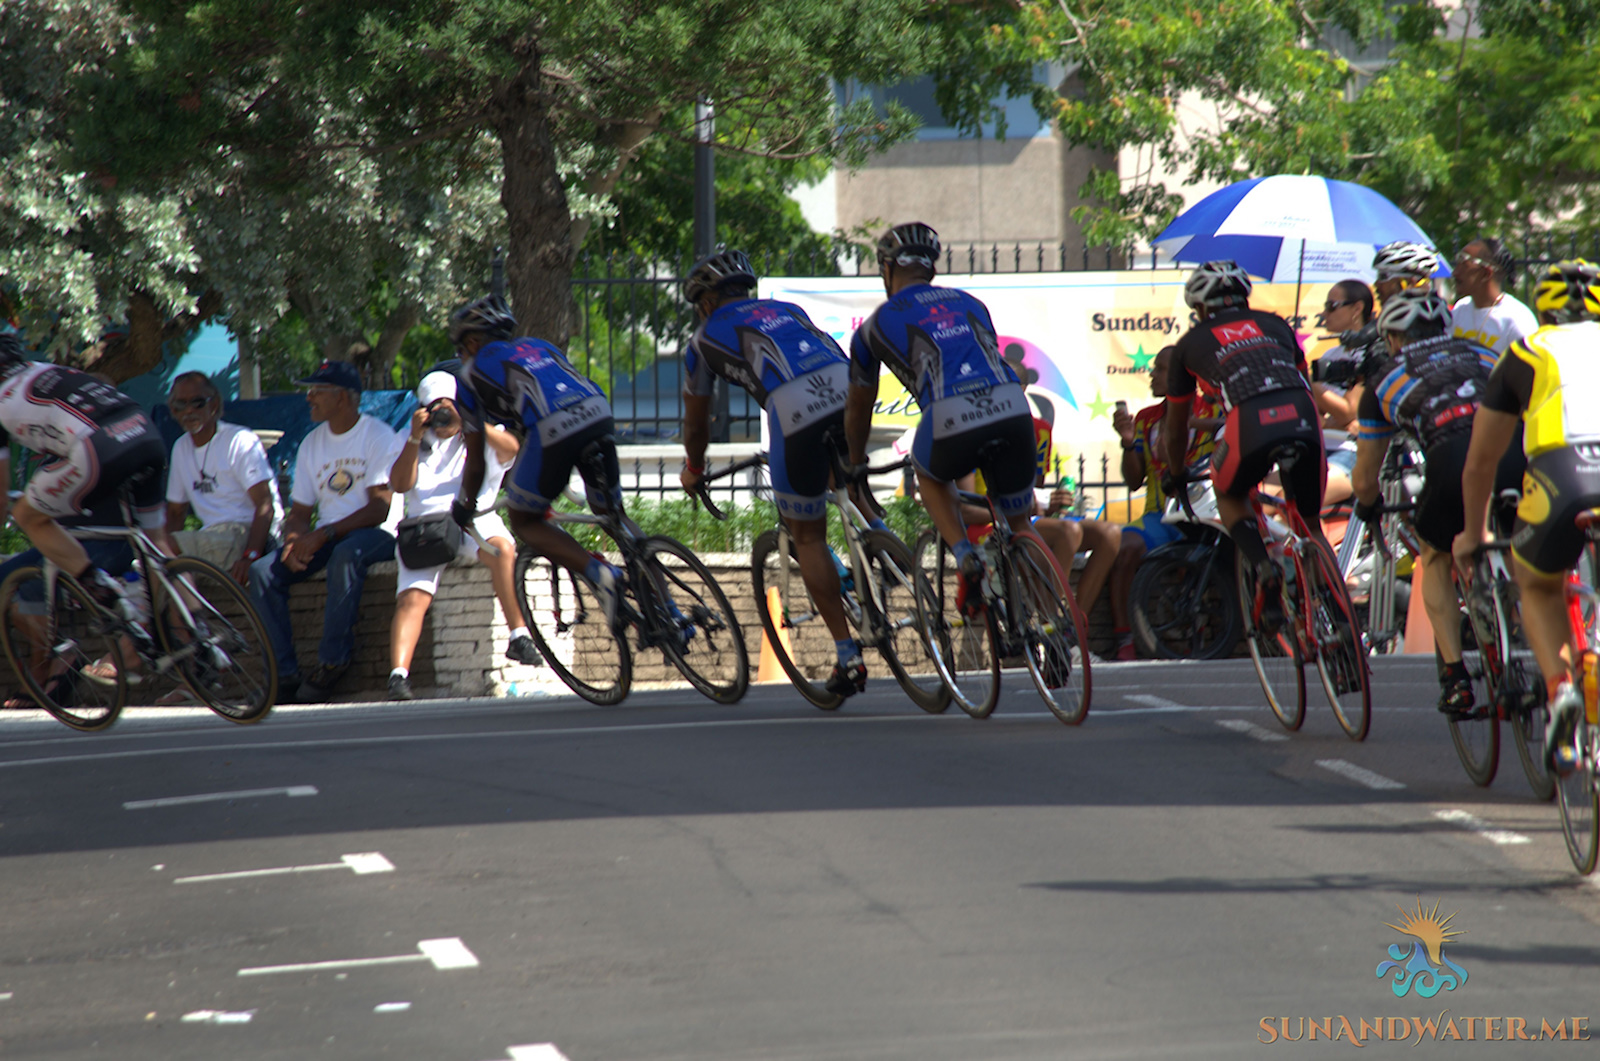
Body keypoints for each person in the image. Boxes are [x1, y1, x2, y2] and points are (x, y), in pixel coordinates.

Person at [679, 248, 867, 698]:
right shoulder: (787, 309)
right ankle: (883, 548)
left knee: (807, 535)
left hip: (794, 409)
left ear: (707, 302)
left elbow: (697, 423)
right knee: (850, 483)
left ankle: (848, 657)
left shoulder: (701, 341)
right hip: (849, 390)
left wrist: (694, 468)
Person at [1454, 260, 1600, 774]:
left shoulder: (1525, 352)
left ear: (1543, 310)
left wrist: (1473, 534)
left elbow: (1481, 462)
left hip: (1563, 474)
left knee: (1536, 584)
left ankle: (1562, 690)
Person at [845, 222, 1036, 613]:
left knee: (927, 472)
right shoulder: (971, 303)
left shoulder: (872, 327)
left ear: (887, 269)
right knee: (1021, 526)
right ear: (931, 268)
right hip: (1013, 405)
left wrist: (855, 461)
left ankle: (965, 554)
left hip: (949, 412)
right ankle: (1055, 622)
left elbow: (860, 405)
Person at [444, 295, 628, 635]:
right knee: (615, 517)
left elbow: (476, 462)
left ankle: (601, 574)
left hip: (552, 427)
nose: (461, 356)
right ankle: (668, 609)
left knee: (525, 520)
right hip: (598, 411)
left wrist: (465, 505)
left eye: (460, 349)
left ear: (472, 343)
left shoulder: (468, 375)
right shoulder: (539, 346)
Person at [1350, 289, 1496, 713]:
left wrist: (1368, 504)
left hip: (1451, 458)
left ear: (1393, 338)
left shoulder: (1384, 379)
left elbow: (1366, 477)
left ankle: (1455, 677)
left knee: (1434, 554)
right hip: (1512, 452)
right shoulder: (1484, 354)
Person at [1163, 260, 1326, 634]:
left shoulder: (1188, 345)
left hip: (1250, 421)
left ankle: (1264, 565)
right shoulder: (1275, 324)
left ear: (1199, 307)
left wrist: (1176, 472)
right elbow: (1301, 379)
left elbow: (1175, 429)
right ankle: (1334, 615)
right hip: (1302, 414)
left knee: (1228, 492)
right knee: (1310, 524)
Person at [248, 361, 402, 702]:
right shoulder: (311, 443)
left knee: (346, 555)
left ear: (343, 397)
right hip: (330, 537)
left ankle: (333, 662)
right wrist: (293, 541)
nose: (309, 398)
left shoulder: (377, 435)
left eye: (316, 391)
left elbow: (379, 508)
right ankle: (283, 675)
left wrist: (323, 534)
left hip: (376, 534)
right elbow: (300, 513)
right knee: (262, 572)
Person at [0, 331, 174, 615]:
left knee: (26, 515)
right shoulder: (45, 368)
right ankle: (193, 623)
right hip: (145, 432)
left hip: (100, 448)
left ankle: (101, 590)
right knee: (158, 543)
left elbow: (1, 494)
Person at [386, 370, 531, 701]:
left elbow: (512, 449)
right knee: (411, 599)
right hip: (426, 526)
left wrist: (470, 419)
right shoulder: (410, 438)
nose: (442, 415)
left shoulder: (479, 434)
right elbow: (399, 484)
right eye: (434, 408)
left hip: (473, 520)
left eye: (447, 405)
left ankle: (518, 636)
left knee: (502, 550)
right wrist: (413, 439)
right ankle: (398, 676)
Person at [1106, 344, 1221, 660]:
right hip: (1159, 516)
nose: (1152, 375)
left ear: (1183, 376)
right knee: (1124, 547)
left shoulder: (1213, 413)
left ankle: (1195, 633)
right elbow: (1134, 481)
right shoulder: (1146, 419)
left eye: (1160, 369)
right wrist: (1127, 443)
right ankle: (1124, 638)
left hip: (1204, 517)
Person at [163, 371, 281, 583]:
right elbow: (175, 512)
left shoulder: (239, 440)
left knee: (164, 551)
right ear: (173, 410)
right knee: (155, 554)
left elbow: (265, 504)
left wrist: (251, 555)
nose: (189, 410)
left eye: (197, 402)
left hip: (247, 533)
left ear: (214, 404)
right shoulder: (181, 447)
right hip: (213, 536)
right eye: (181, 404)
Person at [1310, 279, 1376, 506]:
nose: (1324, 313)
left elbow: (1348, 412)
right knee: (1264, 499)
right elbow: (1316, 418)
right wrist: (1336, 421)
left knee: (1300, 502)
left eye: (1331, 306)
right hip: (1320, 447)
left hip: (1352, 452)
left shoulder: (1371, 354)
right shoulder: (1330, 356)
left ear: (1357, 308)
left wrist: (1309, 383)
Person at [1450, 237, 1538, 356]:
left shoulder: (1517, 320)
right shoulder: (1460, 309)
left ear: (1486, 273)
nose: (1455, 273)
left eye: (1464, 265)